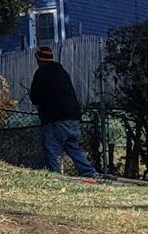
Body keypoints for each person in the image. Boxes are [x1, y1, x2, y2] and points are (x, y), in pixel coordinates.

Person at [28, 44, 101, 180]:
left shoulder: (42, 73)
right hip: (73, 116)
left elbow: (35, 96)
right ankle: (89, 172)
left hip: (55, 118)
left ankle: (55, 176)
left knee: (51, 148)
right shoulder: (62, 72)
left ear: (39, 60)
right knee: (73, 147)